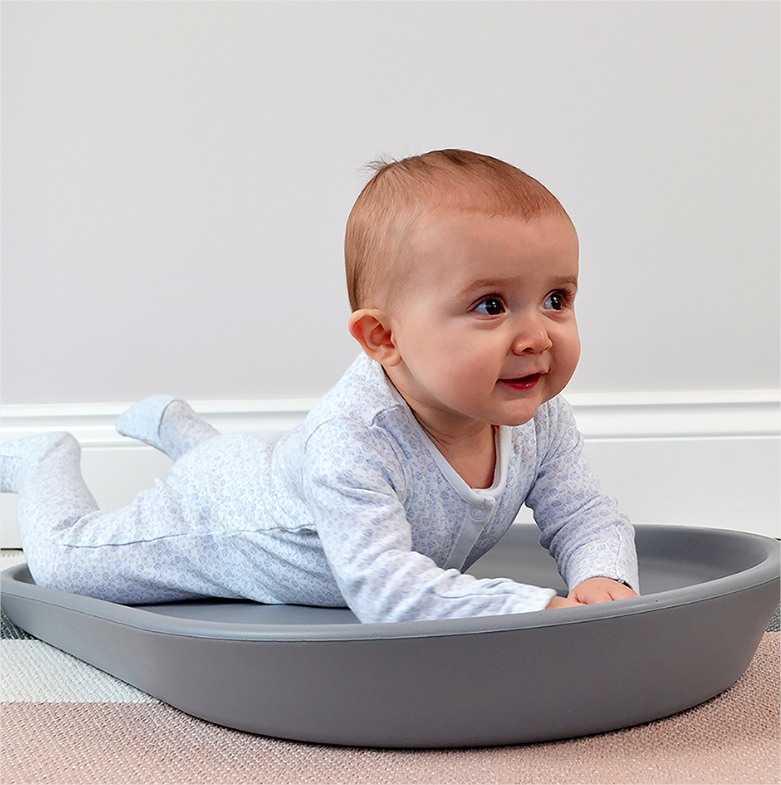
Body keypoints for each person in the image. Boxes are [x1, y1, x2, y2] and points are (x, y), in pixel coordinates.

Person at [0, 149, 639, 622]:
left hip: (271, 469)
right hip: (226, 520)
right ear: (383, 337)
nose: (537, 337)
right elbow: (386, 591)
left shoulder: (537, 412)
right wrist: (538, 608)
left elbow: (583, 511)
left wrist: (604, 577)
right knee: (63, 565)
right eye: (491, 306)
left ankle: (183, 432)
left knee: (248, 462)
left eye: (557, 299)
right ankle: (42, 460)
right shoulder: (355, 438)